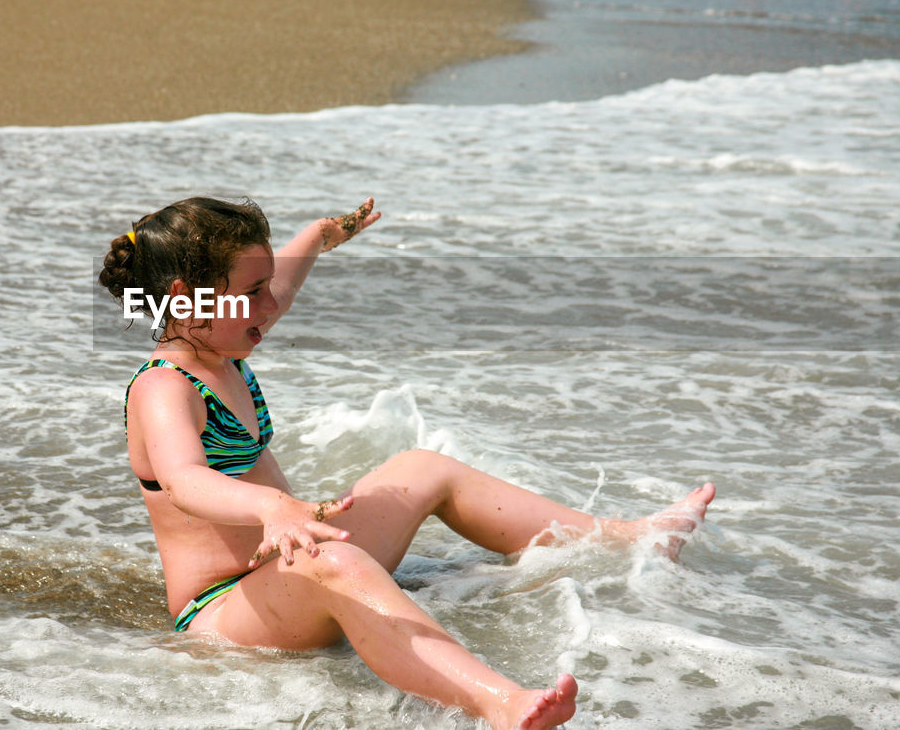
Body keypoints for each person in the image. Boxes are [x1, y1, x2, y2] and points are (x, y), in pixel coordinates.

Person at [98, 196, 715, 730]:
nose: (270, 305)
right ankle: (498, 704)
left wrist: (318, 234)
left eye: (266, 287)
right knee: (332, 560)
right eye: (252, 293)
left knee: (422, 468)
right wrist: (272, 507)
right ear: (185, 298)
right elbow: (184, 481)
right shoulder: (164, 387)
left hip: (280, 564)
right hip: (227, 610)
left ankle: (631, 538)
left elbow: (280, 286)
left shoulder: (224, 334)